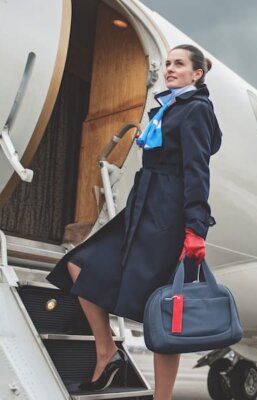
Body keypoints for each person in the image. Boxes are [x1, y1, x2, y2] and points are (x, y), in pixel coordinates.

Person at [46, 44, 222, 400]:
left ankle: (163, 397)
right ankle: (106, 352)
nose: (170, 69)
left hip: (168, 217)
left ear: (197, 74)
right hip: (142, 207)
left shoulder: (196, 110)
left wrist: (195, 229)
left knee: (165, 311)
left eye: (179, 64)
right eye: (168, 63)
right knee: (79, 264)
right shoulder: (167, 107)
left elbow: (197, 171)